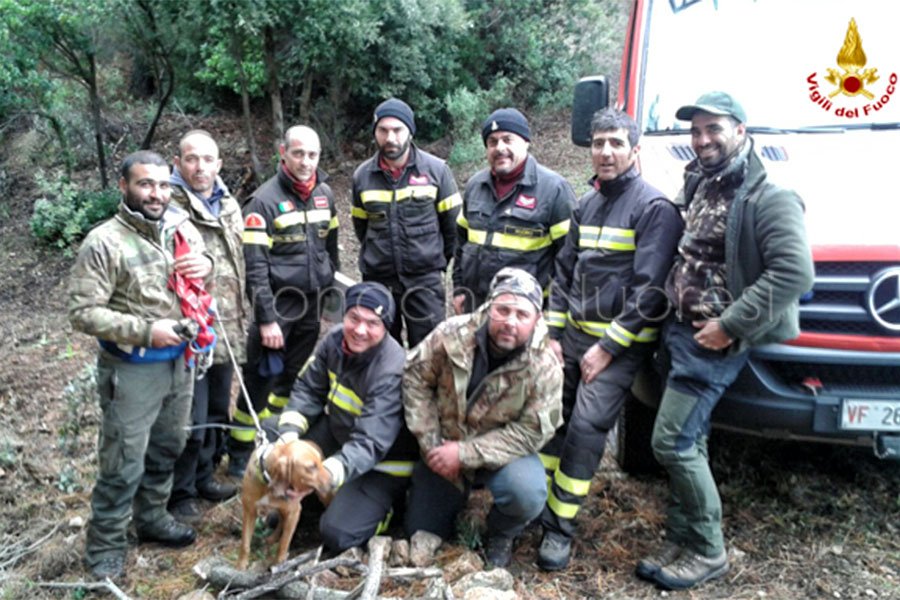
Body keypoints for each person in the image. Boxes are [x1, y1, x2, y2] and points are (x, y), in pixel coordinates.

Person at [637, 92, 813, 590]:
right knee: (691, 440)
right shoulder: (701, 183)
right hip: (679, 330)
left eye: (713, 128)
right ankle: (681, 536)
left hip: (713, 341)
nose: (702, 139)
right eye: (695, 131)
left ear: (740, 129)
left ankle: (709, 550)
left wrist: (731, 325)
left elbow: (794, 272)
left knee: (670, 442)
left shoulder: (768, 196)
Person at [535, 108, 684, 571]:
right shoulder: (587, 204)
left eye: (616, 143)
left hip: (618, 347)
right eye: (599, 142)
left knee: (585, 428)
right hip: (573, 339)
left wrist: (607, 348)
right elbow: (563, 275)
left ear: (635, 150)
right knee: (550, 418)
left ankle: (559, 528)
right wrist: (555, 334)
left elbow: (650, 293)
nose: (605, 151)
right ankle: (536, 505)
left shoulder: (653, 208)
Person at [69, 150, 213, 579]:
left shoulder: (180, 228)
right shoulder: (104, 242)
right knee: (122, 461)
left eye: (163, 185)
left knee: (167, 446)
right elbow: (83, 313)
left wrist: (204, 265)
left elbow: (206, 273)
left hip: (180, 364)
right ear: (125, 186)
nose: (156, 193)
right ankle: (105, 549)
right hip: (131, 369)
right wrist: (147, 331)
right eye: (145, 184)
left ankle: (151, 518)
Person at [403, 268, 564, 568]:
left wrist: (463, 455)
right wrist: (431, 445)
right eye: (502, 310)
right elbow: (416, 380)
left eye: (521, 314)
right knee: (421, 531)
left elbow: (531, 433)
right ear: (490, 307)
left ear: (537, 319)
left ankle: (502, 531)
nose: (510, 322)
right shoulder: (451, 334)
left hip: (498, 455)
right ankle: (451, 497)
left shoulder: (545, 365)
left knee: (526, 493)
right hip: (442, 443)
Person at [228, 125, 339, 478]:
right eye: (298, 153)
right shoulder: (262, 201)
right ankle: (239, 453)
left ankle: (273, 434)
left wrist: (327, 300)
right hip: (277, 307)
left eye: (313, 154)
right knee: (259, 379)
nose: (306, 161)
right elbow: (255, 268)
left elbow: (330, 251)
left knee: (293, 376)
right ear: (283, 153)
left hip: (311, 305)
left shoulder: (325, 195)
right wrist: (266, 320)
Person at [276, 282, 419, 554]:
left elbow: (370, 443)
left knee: (337, 534)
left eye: (372, 323)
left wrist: (324, 474)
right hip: (340, 435)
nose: (360, 330)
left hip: (384, 463)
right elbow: (308, 389)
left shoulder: (392, 369)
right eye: (354, 318)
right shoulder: (334, 339)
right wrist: (289, 437)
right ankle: (318, 499)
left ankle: (389, 512)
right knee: (277, 438)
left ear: (386, 327)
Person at [167, 130, 247, 523]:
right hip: (187, 329)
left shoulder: (228, 203)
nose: (200, 167)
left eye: (208, 159)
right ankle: (179, 493)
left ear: (218, 163)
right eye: (192, 159)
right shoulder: (165, 206)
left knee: (218, 406)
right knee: (190, 416)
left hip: (227, 323)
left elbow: (237, 260)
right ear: (178, 162)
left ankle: (204, 477)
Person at [351, 98, 461, 348]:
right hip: (378, 281)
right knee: (379, 351)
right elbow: (362, 228)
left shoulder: (436, 171)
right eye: (383, 130)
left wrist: (431, 262)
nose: (390, 137)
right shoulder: (362, 177)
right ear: (375, 133)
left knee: (429, 352)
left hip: (424, 282)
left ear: (410, 131)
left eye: (397, 130)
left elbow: (453, 228)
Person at [452, 108, 576, 313]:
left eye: (507, 139)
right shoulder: (475, 186)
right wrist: (458, 289)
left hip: (526, 312)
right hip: (476, 307)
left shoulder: (554, 190)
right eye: (492, 142)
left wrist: (554, 311)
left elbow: (570, 259)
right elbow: (461, 242)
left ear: (526, 142)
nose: (500, 148)